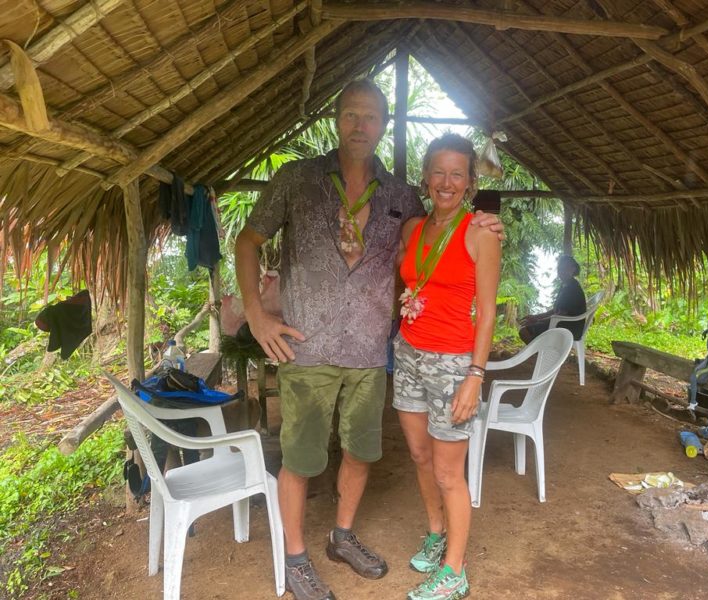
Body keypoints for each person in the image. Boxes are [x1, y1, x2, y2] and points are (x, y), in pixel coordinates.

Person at [235, 80, 504, 600]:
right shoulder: (297, 179)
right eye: (351, 116)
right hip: (306, 348)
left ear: (383, 125)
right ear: (337, 119)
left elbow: (446, 247)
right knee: (301, 459)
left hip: (369, 355)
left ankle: (341, 536)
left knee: (360, 452)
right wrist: (255, 314)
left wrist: (485, 219)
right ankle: (295, 559)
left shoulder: (402, 197)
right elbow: (249, 240)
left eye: (371, 117)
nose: (361, 126)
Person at [393, 133, 501, 600]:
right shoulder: (413, 229)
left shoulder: (481, 232)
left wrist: (475, 377)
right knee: (419, 457)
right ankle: (436, 535)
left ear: (471, 183)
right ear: (425, 177)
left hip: (454, 362)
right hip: (408, 351)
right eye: (439, 171)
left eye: (457, 174)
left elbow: (489, 312)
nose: (446, 182)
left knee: (448, 473)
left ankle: (454, 571)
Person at [518, 254, 586, 344]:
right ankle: (542, 353)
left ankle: (539, 354)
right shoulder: (565, 285)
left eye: (565, 268)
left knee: (524, 331)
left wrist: (538, 320)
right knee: (527, 327)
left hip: (569, 328)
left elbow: (561, 315)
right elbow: (555, 310)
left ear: (573, 269)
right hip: (562, 323)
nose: (561, 271)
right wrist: (535, 317)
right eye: (560, 269)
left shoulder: (573, 289)